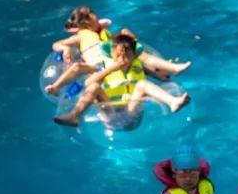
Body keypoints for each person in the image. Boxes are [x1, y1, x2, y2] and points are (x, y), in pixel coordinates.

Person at [46, 9, 189, 98]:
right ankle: (55, 87)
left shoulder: (106, 34)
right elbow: (55, 44)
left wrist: (126, 35)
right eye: (92, 14)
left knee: (138, 57)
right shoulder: (80, 37)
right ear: (86, 22)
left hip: (114, 59)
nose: (96, 15)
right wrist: (65, 48)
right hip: (97, 66)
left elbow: (120, 43)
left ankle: (171, 69)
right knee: (77, 67)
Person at [53, 34, 189, 126]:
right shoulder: (104, 66)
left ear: (134, 55)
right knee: (93, 87)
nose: (122, 59)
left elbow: (154, 73)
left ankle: (173, 101)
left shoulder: (138, 65)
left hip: (132, 112)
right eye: (118, 55)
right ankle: (74, 116)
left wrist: (160, 74)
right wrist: (112, 68)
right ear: (111, 55)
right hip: (110, 113)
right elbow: (88, 83)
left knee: (143, 83)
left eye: (126, 55)